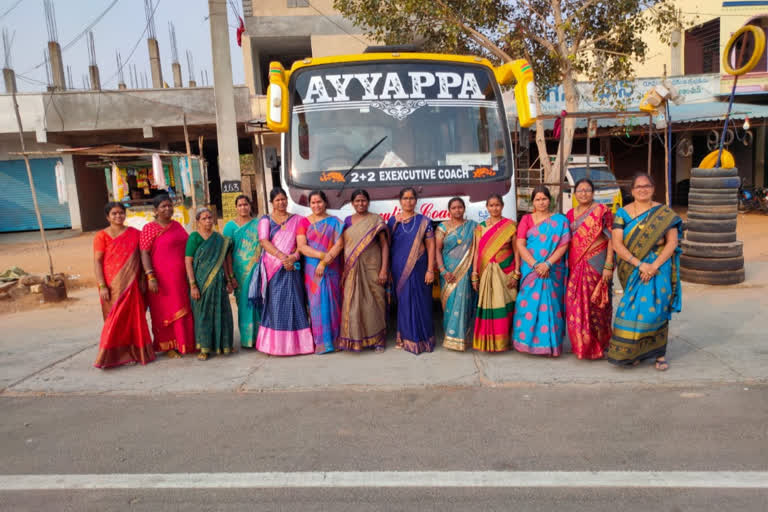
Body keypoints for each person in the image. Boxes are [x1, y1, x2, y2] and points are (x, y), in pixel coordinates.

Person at [607, 174, 682, 371]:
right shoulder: (622, 213)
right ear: (632, 191)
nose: (642, 189)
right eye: (638, 186)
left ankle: (659, 354)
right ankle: (635, 352)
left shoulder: (664, 213)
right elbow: (616, 243)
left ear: (653, 188)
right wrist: (640, 265)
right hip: (632, 268)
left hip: (659, 266)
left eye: (646, 186)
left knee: (657, 310)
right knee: (629, 311)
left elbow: (672, 242)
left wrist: (654, 266)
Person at [250, 187, 314, 356]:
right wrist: (282, 257)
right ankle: (277, 346)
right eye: (277, 200)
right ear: (272, 203)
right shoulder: (265, 220)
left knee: (296, 301)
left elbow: (303, 243)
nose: (281, 202)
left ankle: (300, 345)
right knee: (276, 304)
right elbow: (264, 241)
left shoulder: (298, 220)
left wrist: (293, 257)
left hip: (292, 266)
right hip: (273, 268)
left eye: (283, 199)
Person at [93, 202, 155, 368]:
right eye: (114, 214)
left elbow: (144, 256)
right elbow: (97, 262)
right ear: (108, 217)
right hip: (112, 286)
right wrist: (102, 286)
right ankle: (110, 356)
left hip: (132, 284)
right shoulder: (101, 236)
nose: (118, 216)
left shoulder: (135, 234)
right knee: (114, 320)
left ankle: (136, 353)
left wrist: (146, 278)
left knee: (133, 319)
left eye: (121, 213)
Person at [513, 185, 571, 357]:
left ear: (549, 200)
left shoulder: (560, 221)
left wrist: (548, 264)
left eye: (544, 199)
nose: (541, 202)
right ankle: (526, 343)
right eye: (537, 199)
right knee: (527, 305)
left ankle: (550, 345)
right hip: (531, 269)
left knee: (551, 306)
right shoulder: (526, 220)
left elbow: (563, 245)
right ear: (532, 202)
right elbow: (520, 244)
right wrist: (535, 265)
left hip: (552, 270)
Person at [140, 195, 196, 357]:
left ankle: (185, 343)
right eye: (163, 206)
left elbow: (189, 247)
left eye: (170, 206)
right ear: (155, 210)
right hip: (161, 280)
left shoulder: (177, 226)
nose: (168, 209)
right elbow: (144, 253)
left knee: (184, 309)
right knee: (164, 311)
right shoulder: (149, 228)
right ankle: (168, 346)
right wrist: (150, 276)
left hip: (180, 278)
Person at [565, 179, 615, 360]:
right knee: (575, 304)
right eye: (580, 190)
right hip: (576, 265)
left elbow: (612, 239)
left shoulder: (602, 211)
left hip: (597, 264)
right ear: (575, 193)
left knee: (597, 306)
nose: (583, 193)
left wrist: (609, 265)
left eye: (587, 190)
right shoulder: (570, 215)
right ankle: (581, 344)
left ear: (593, 193)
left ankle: (599, 345)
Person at [337, 189, 389, 352]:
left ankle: (378, 339)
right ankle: (356, 339)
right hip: (353, 269)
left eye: (363, 201)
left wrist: (383, 270)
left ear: (368, 202)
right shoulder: (347, 221)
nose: (360, 204)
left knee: (375, 304)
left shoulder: (376, 220)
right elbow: (344, 246)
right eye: (357, 201)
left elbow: (384, 245)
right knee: (354, 305)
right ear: (352, 203)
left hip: (373, 267)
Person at [388, 187, 436, 354]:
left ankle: (424, 339)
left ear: (416, 201)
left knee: (422, 302)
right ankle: (405, 338)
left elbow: (431, 246)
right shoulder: (393, 222)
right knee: (404, 303)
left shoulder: (424, 221)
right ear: (400, 201)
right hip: (399, 268)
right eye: (405, 198)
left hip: (420, 267)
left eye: (411, 198)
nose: (408, 201)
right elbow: (388, 247)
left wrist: (430, 269)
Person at [297, 190, 344, 354]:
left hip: (331, 266)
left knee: (334, 302)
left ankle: (336, 341)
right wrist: (321, 255)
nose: (316, 205)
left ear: (325, 203)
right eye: (313, 203)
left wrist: (325, 261)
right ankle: (321, 343)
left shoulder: (335, 221)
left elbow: (339, 244)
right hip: (312, 269)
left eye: (319, 202)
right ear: (309, 205)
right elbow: (302, 247)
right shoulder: (304, 222)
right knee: (316, 304)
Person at [185, 207, 235, 360]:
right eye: (204, 218)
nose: (208, 221)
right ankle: (204, 348)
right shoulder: (194, 237)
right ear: (198, 221)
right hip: (201, 284)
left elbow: (225, 261)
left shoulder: (219, 239)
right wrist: (193, 285)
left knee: (222, 313)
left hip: (219, 283)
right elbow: (188, 261)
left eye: (210, 218)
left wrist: (229, 280)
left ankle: (224, 345)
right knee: (203, 315)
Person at [471, 194, 519, 352]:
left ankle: (503, 342)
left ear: (502, 206)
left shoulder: (511, 226)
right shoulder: (480, 227)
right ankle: (487, 342)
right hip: (486, 272)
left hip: (506, 271)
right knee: (488, 307)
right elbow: (477, 252)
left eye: (497, 205)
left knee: (505, 308)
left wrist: (516, 273)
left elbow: (516, 251)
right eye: (491, 205)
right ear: (487, 207)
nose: (494, 208)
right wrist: (474, 274)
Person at [436, 197, 478, 351]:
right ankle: (450, 337)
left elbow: (476, 251)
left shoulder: (473, 226)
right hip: (447, 272)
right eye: (454, 208)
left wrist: (474, 272)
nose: (457, 210)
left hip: (465, 271)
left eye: (460, 207)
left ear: (464, 209)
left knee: (464, 303)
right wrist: (443, 271)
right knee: (450, 304)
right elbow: (437, 250)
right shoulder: (442, 227)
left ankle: (461, 338)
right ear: (449, 210)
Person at [222, 195, 261, 349]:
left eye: (245, 204)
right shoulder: (230, 227)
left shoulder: (258, 224)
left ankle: (260, 338)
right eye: (240, 205)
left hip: (257, 272)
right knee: (244, 305)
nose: (243, 207)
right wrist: (230, 277)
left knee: (258, 304)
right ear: (236, 207)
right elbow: (226, 254)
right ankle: (247, 339)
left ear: (250, 206)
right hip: (239, 273)